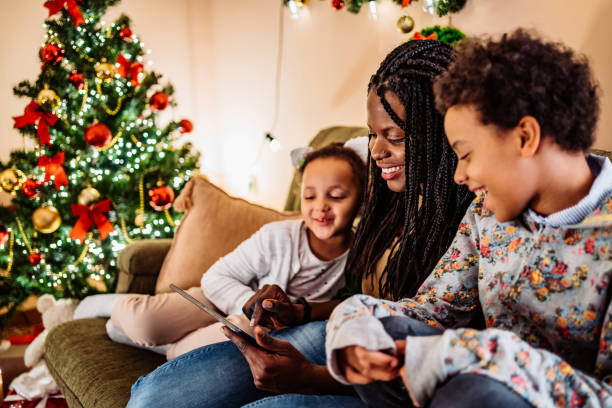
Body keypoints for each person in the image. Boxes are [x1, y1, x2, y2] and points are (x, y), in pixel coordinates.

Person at [126, 39, 473, 408]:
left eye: (395, 137)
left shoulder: (470, 214)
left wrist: (310, 378)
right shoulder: (389, 201)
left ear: (441, 132)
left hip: (396, 367)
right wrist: (301, 310)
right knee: (153, 397)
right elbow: (359, 297)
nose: (376, 151)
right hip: (339, 333)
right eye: (373, 134)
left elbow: (428, 344)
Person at [327, 29, 612, 408]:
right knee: (381, 330)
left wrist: (481, 354)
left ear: (524, 137)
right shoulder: (485, 213)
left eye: (465, 154)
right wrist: (351, 322)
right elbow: (433, 309)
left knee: (473, 390)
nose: (459, 175)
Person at [105, 143, 366, 360]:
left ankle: (165, 345)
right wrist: (251, 305)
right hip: (218, 297)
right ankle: (108, 306)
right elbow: (214, 278)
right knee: (144, 322)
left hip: (251, 327)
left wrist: (257, 319)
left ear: (362, 201)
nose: (320, 207)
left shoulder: (360, 256)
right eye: (310, 197)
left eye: (337, 196)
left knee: (188, 351)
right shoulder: (278, 235)